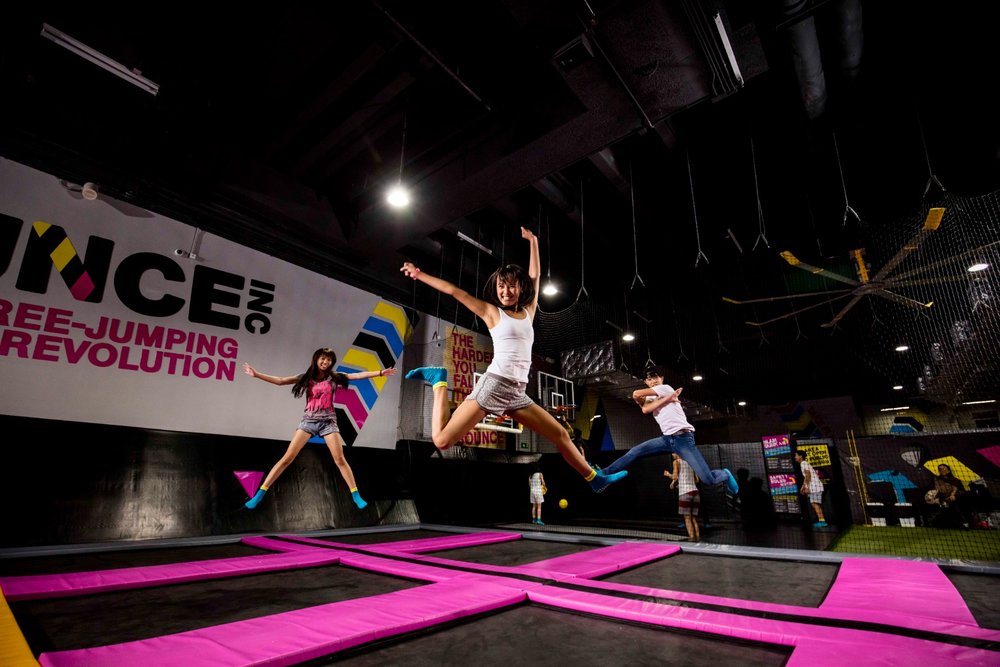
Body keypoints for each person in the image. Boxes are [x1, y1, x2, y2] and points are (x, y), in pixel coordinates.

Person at [401, 226, 628, 493]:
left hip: (517, 392)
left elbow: (536, 274)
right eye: (501, 287)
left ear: (521, 289)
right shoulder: (491, 312)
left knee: (560, 434)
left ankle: (595, 479)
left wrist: (533, 242)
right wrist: (419, 274)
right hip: (495, 385)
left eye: (510, 286)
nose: (505, 291)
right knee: (441, 441)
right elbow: (454, 291)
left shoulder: (529, 311)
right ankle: (439, 381)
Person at [242, 348, 397, 511]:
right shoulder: (306, 378)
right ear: (316, 359)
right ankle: (259, 495)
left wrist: (380, 373)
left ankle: (356, 495)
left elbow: (356, 376)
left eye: (329, 360)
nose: (325, 362)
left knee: (339, 459)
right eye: (323, 358)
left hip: (328, 422)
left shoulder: (334, 378)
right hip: (308, 421)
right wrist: (257, 374)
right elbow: (281, 380)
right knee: (287, 458)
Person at [598, 366, 739, 496]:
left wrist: (667, 397)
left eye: (655, 377)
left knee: (709, 480)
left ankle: (724, 474)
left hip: (683, 440)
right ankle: (604, 473)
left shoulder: (665, 388)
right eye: (649, 379)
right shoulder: (654, 397)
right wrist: (667, 399)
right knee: (635, 452)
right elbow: (645, 409)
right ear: (646, 381)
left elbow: (636, 394)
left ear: (662, 378)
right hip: (666, 440)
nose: (653, 381)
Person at [665, 452, 700, 541]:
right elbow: (697, 480)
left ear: (677, 453)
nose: (672, 455)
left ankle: (692, 540)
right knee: (693, 518)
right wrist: (681, 483)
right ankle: (699, 540)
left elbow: (675, 476)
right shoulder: (691, 462)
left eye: (673, 452)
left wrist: (668, 474)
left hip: (685, 493)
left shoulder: (676, 462)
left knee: (687, 519)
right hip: (695, 493)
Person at [794, 450, 827, 528]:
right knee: (815, 504)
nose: (795, 457)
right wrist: (803, 486)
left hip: (815, 487)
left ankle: (822, 522)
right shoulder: (804, 463)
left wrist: (806, 487)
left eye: (796, 455)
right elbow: (806, 476)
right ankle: (822, 521)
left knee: (814, 504)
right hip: (816, 486)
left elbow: (808, 475)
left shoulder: (803, 463)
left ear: (800, 456)